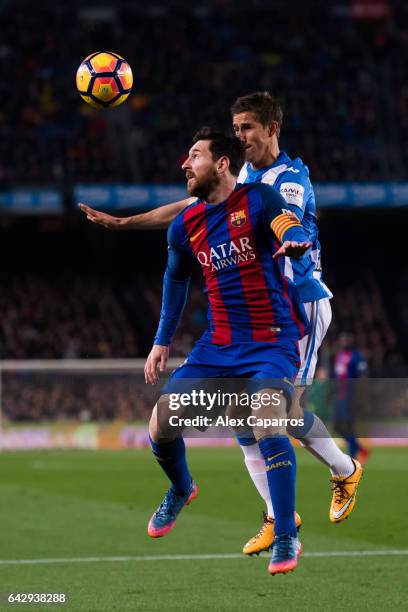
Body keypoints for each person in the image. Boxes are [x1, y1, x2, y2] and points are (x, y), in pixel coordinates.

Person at [79, 92, 363, 554]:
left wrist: (292, 239)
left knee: (279, 413)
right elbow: (189, 209)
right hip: (254, 316)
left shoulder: (286, 179)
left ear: (272, 129)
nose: (240, 136)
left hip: (298, 305)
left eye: (248, 127)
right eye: (236, 128)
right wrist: (129, 222)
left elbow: (287, 219)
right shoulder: (245, 175)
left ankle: (342, 471)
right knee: (242, 415)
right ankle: (279, 512)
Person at [145, 127, 311, 575]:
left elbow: (284, 222)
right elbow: (175, 280)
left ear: (221, 164)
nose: (185, 163)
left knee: (265, 419)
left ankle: (286, 535)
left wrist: (293, 239)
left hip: (271, 339)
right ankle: (181, 488)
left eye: (194, 155)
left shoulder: (258, 199)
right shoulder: (185, 225)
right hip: (218, 346)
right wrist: (162, 340)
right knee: (160, 426)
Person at [333, 332, 371, 467]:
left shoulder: (357, 356)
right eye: (342, 339)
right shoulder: (339, 356)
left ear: (351, 341)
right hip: (339, 396)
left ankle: (353, 460)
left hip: (351, 396)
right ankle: (361, 450)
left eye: (346, 340)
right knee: (337, 427)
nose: (344, 342)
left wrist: (361, 397)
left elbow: (362, 377)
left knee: (349, 427)